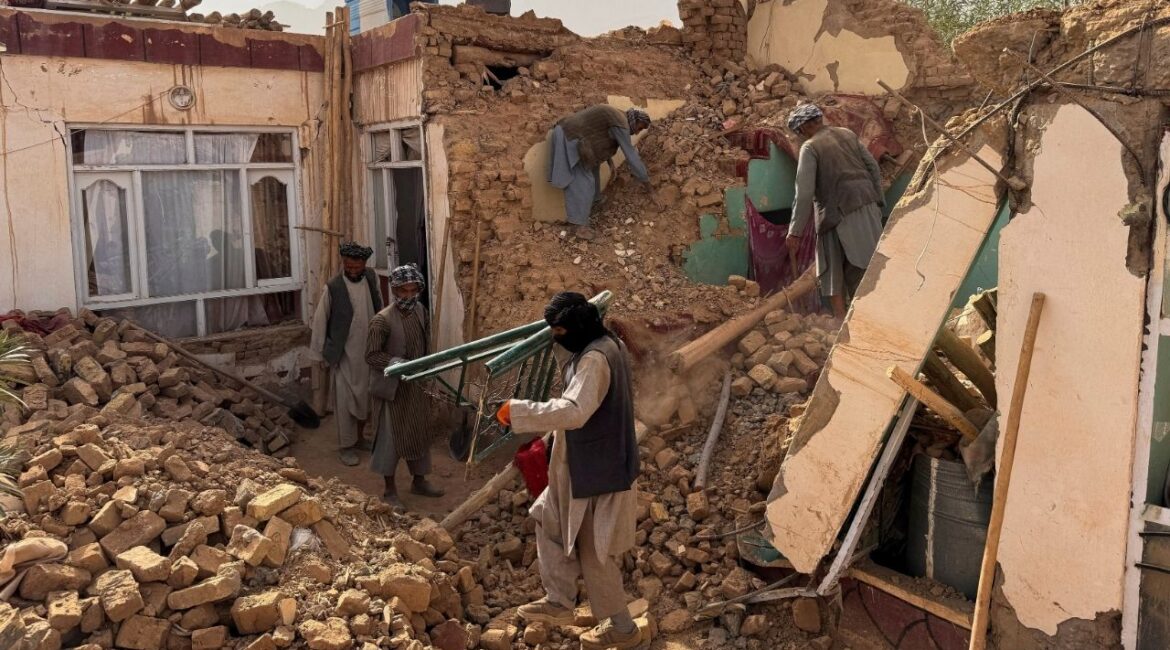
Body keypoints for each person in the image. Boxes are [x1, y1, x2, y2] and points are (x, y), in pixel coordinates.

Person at [496, 292, 641, 650]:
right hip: (581, 462)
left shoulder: (595, 359)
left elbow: (575, 410)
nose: (555, 337)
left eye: (559, 331)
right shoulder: (606, 342)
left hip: (599, 469)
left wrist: (517, 411)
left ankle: (623, 629)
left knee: (596, 552)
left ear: (575, 328)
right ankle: (559, 600)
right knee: (547, 516)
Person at [784, 103, 885, 319]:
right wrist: (878, 201)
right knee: (874, 267)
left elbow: (803, 194)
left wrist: (795, 231)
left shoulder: (810, 148)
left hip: (837, 216)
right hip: (868, 207)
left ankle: (845, 323)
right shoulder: (847, 135)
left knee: (834, 271)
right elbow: (873, 167)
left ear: (803, 129)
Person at [365, 264, 443, 508]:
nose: (408, 297)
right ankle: (389, 491)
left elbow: (426, 344)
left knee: (418, 434)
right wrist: (394, 362)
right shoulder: (381, 321)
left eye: (413, 291)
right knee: (390, 439)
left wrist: (429, 371)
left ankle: (419, 481)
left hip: (416, 386)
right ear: (395, 291)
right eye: (403, 292)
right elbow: (371, 355)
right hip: (392, 390)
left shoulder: (421, 311)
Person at [308, 242, 383, 466]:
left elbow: (379, 306)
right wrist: (319, 354)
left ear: (364, 264)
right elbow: (320, 321)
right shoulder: (333, 287)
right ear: (343, 263)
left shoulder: (372, 278)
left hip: (368, 351)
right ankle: (346, 446)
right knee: (344, 401)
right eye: (348, 266)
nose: (352, 271)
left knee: (365, 399)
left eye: (357, 267)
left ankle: (360, 438)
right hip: (343, 353)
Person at [549, 105, 652, 241]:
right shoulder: (621, 123)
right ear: (635, 120)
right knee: (583, 181)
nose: (637, 133)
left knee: (594, 168)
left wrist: (610, 163)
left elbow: (598, 134)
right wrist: (649, 188)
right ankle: (578, 227)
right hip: (570, 137)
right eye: (639, 128)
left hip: (575, 137)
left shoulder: (619, 116)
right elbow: (631, 156)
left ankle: (594, 204)